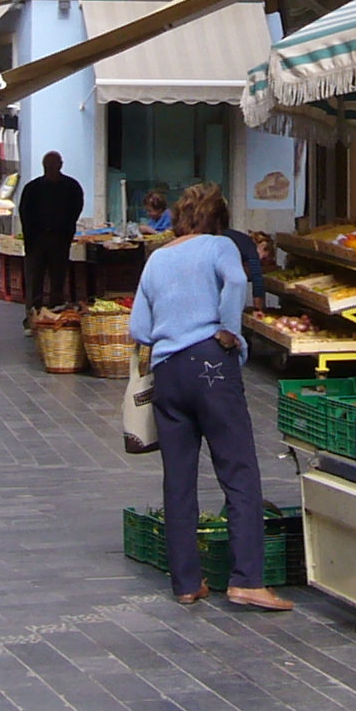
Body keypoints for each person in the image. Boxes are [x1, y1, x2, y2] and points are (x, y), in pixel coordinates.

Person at [129, 184, 291, 614]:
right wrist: (228, 329)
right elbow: (237, 280)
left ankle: (186, 582)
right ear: (218, 220)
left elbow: (139, 328)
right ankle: (247, 580)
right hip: (210, 364)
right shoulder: (219, 247)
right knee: (238, 470)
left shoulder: (156, 258)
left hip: (168, 371)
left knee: (178, 478)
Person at [17, 151, 85, 318]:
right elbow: (25, 213)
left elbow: (76, 210)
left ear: (61, 165)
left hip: (60, 240)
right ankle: (33, 315)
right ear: (44, 166)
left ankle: (55, 314)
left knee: (58, 280)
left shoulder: (71, 187)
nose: (52, 168)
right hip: (36, 241)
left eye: (54, 165)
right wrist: (30, 239)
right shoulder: (32, 188)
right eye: (49, 166)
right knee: (35, 280)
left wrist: (66, 231)